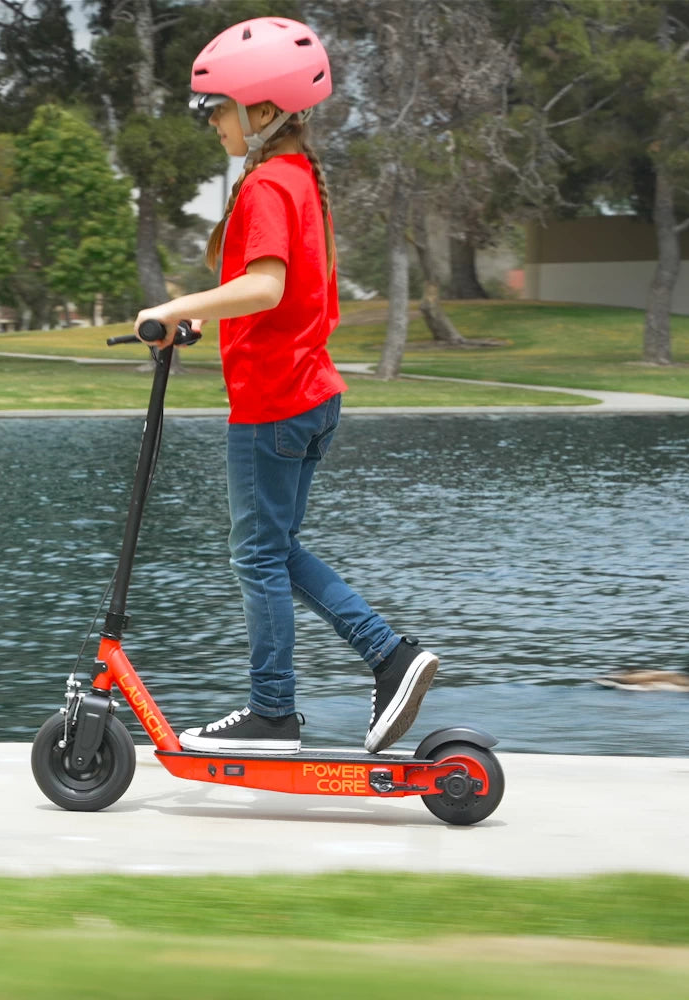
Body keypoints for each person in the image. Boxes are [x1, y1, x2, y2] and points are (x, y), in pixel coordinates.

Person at [133, 17, 438, 755]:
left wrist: (173, 308)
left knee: (257, 555)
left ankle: (277, 710)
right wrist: (208, 323)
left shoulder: (269, 181)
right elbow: (280, 293)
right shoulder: (299, 178)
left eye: (219, 108)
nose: (212, 122)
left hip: (273, 403)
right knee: (274, 549)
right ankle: (390, 658)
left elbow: (265, 286)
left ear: (262, 110)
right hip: (310, 392)